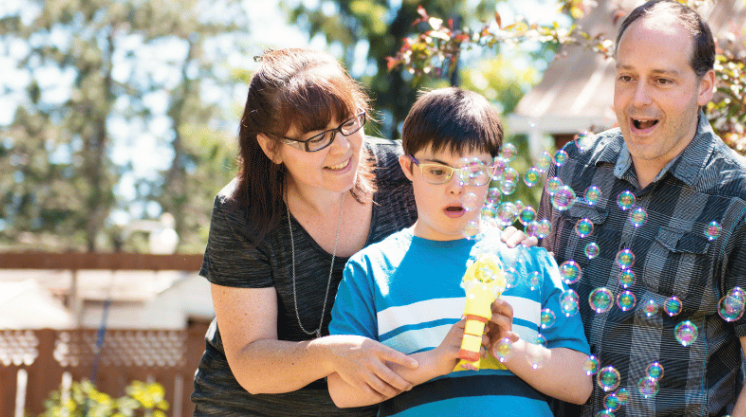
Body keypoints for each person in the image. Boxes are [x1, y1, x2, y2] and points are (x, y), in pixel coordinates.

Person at [192, 49, 529, 416]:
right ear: (272, 147)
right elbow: (249, 364)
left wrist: (500, 235)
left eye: (349, 122)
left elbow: (467, 200)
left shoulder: (402, 171)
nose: (343, 148)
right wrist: (334, 354)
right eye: (315, 138)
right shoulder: (241, 212)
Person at [537, 1, 746, 416]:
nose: (638, 99)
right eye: (627, 77)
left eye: (662, 80)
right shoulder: (572, 169)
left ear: (705, 86)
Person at [328, 87, 592, 416]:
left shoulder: (532, 262)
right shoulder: (371, 270)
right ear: (408, 169)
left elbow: (580, 385)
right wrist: (435, 361)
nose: (457, 187)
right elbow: (342, 389)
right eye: (438, 171)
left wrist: (509, 347)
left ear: (494, 171)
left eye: (472, 171)